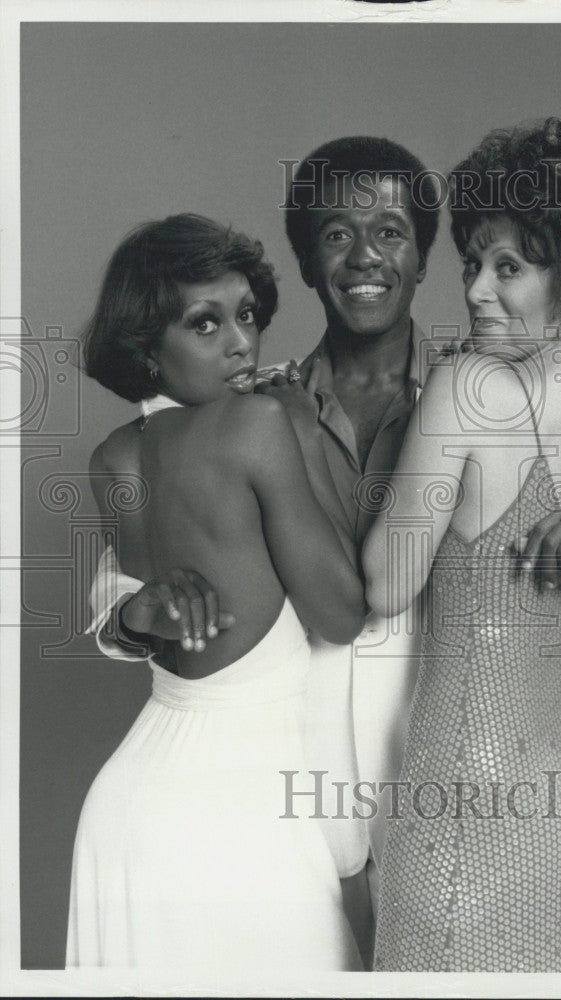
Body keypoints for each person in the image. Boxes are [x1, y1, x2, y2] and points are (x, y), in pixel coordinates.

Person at [87, 136, 561, 968]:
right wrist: (129, 617)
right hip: (284, 795)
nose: (364, 256)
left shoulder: (482, 389)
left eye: (390, 231)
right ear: (309, 262)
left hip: (440, 773)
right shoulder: (246, 406)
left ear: (425, 256)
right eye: (335, 234)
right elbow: (142, 550)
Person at [361, 118, 561, 972]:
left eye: (509, 267)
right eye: (472, 265)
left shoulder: (465, 385)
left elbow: (384, 581)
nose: (477, 291)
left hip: (471, 786)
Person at [66, 214, 365, 970]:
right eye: (206, 324)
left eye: (247, 316)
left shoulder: (114, 459)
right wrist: (301, 431)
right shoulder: (262, 424)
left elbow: (138, 603)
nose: (241, 342)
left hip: (133, 809)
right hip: (244, 817)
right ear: (147, 351)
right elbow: (340, 612)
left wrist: (133, 613)